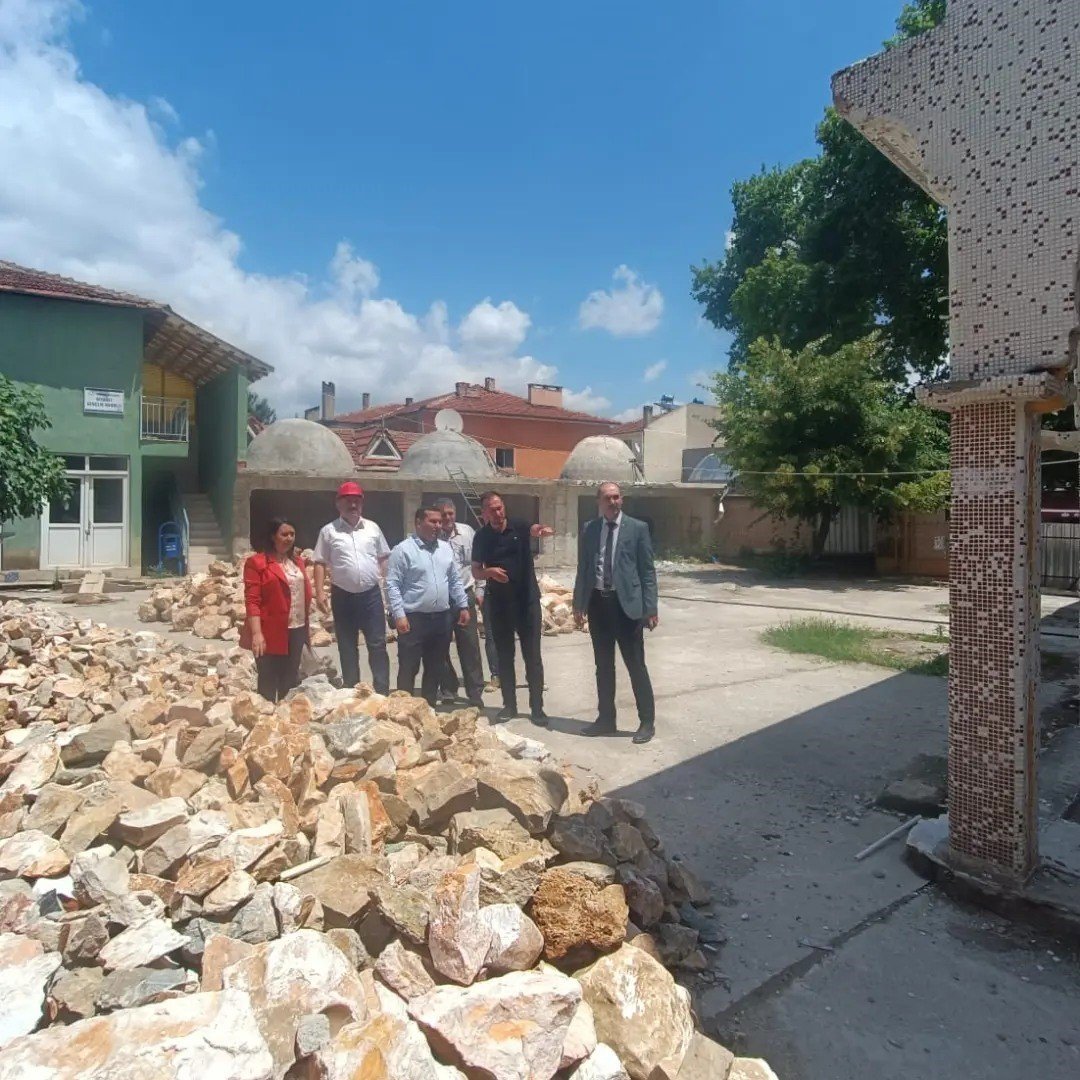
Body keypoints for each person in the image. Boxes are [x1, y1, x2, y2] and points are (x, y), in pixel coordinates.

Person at [572, 481, 658, 744]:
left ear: (621, 500)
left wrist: (650, 608)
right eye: (608, 498)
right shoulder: (590, 529)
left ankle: (646, 722)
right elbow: (584, 567)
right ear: (599, 502)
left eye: (617, 497)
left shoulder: (637, 528)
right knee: (603, 666)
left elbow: (647, 571)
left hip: (627, 607)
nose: (613, 502)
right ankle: (606, 719)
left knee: (635, 665)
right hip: (599, 604)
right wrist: (579, 603)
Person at [471, 491, 554, 725]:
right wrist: (490, 572)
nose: (498, 513)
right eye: (492, 509)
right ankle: (509, 705)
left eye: (500, 507)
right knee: (505, 657)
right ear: (484, 513)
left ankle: (537, 708)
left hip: (527, 602)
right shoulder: (482, 537)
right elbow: (476, 570)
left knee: (533, 656)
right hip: (499, 605)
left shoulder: (518, 525)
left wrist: (540, 530)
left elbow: (533, 529)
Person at [385, 505, 470, 706]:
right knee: (409, 667)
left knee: (435, 667)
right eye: (433, 521)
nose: (438, 525)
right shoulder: (403, 550)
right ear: (418, 523)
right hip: (413, 619)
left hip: (441, 618)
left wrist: (463, 605)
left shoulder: (445, 549)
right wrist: (399, 614)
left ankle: (428, 707)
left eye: (439, 522)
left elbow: (454, 580)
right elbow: (392, 584)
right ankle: (403, 709)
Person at [312, 481, 391, 694]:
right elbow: (319, 562)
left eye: (357, 501)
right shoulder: (328, 531)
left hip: (371, 595)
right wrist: (319, 593)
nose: (353, 505)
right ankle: (352, 689)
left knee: (377, 644)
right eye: (348, 501)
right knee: (347, 645)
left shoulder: (373, 528)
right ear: (338, 504)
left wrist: (388, 587)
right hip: (343, 596)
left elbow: (383, 558)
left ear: (362, 503)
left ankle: (382, 690)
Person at [243, 517, 312, 703]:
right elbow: (252, 601)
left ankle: (284, 715)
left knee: (290, 678)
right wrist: (256, 633)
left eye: (292, 534)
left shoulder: (297, 562)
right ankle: (265, 716)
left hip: (296, 628)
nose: (289, 538)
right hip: (270, 631)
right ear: (273, 536)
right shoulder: (257, 563)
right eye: (284, 534)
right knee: (268, 678)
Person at [433, 497, 485, 707]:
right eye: (443, 514)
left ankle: (475, 692)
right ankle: (448, 688)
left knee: (470, 645)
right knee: (440, 645)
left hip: (465, 595)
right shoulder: (431, 537)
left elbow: (478, 562)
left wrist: (480, 588)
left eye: (450, 513)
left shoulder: (467, 532)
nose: (447, 518)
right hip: (440, 598)